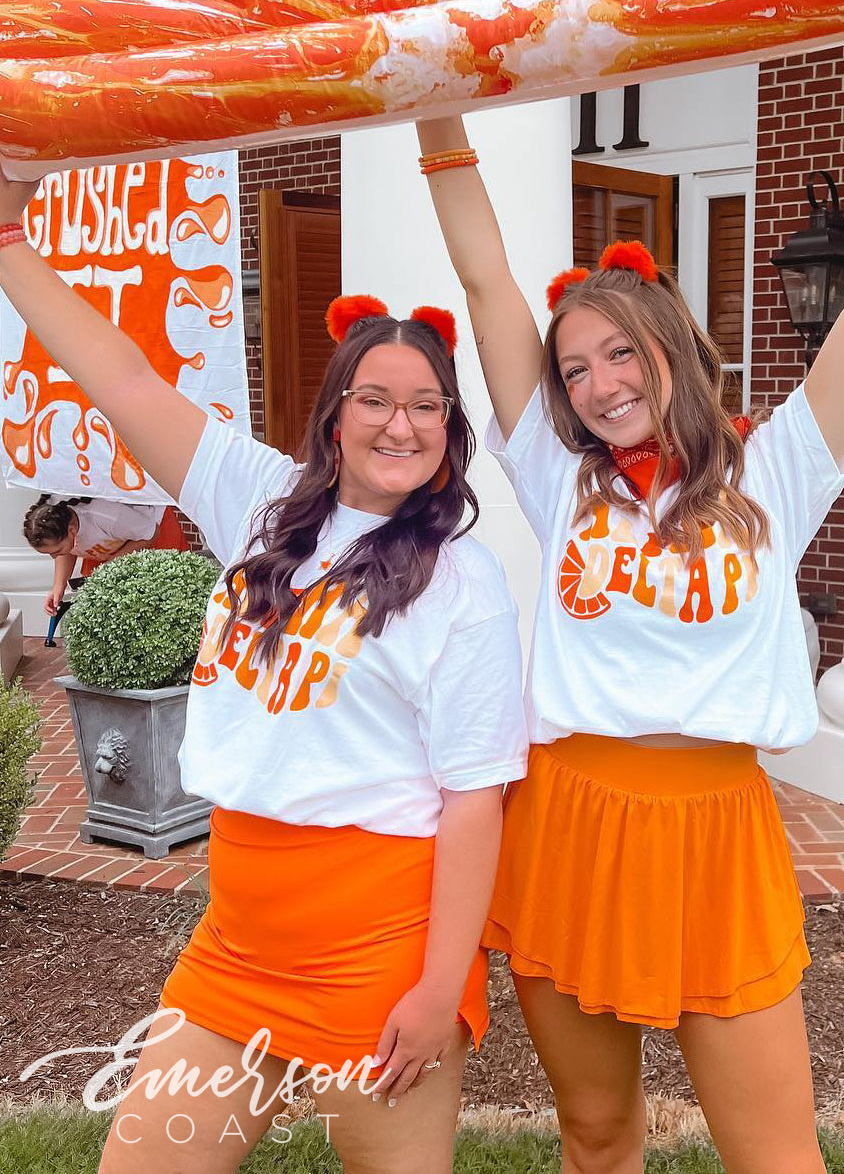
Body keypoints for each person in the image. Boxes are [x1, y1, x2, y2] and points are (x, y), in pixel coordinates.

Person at [415, 8, 844, 1174]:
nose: (599, 384)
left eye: (620, 352)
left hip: (718, 834)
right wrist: (431, 103)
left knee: (777, 1155)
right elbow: (484, 277)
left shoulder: (780, 465)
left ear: (670, 342)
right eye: (573, 368)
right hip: (570, 822)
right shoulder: (559, 475)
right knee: (597, 1135)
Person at [0, 173, 528, 1174]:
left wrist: (437, 987)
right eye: (376, 399)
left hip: (377, 945)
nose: (401, 424)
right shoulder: (258, 498)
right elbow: (124, 380)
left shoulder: (464, 587)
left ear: (448, 430)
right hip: (237, 936)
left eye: (426, 406)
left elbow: (474, 797)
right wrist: (8, 239)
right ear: (336, 415)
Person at [23, 493, 187, 622]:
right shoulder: (57, 521)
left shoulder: (108, 516)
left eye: (57, 550)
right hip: (107, 545)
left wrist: (110, 566)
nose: (53, 556)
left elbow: (151, 534)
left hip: (152, 533)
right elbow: (64, 549)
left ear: (72, 531)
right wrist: (58, 587)